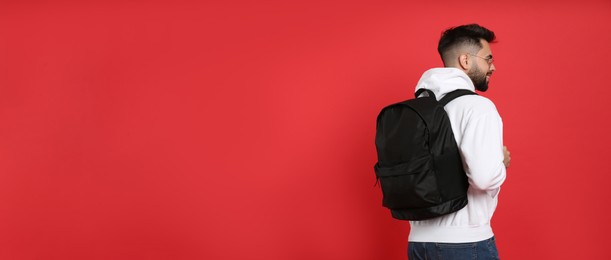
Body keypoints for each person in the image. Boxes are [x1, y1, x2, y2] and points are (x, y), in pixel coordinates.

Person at [407, 24, 511, 259]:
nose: (492, 67)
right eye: (488, 59)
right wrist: (500, 161)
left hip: (418, 243)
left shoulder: (419, 108)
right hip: (465, 244)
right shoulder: (477, 107)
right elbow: (483, 179)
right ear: (465, 60)